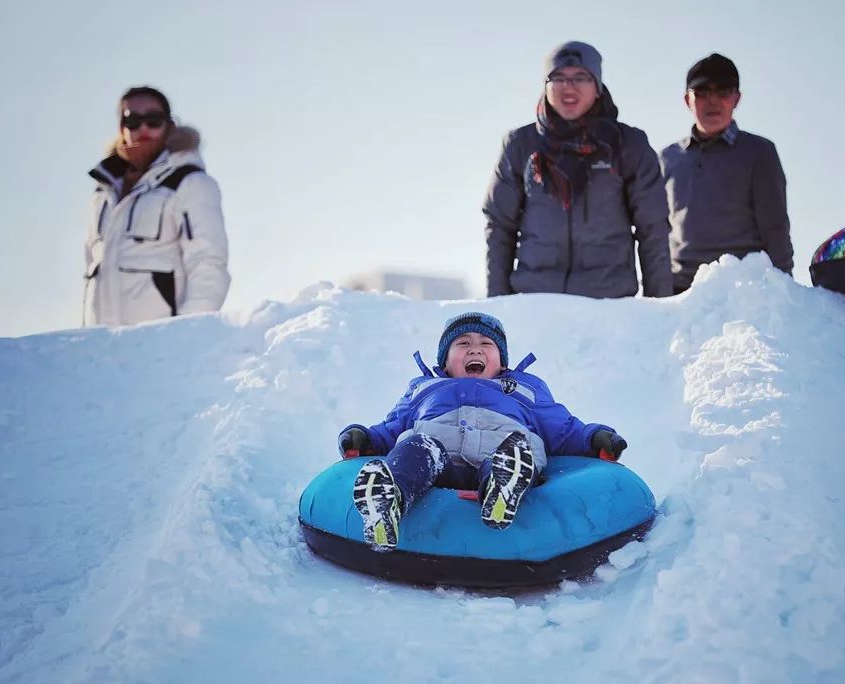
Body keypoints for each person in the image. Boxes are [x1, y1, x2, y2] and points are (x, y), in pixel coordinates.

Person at [337, 312, 629, 550]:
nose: (475, 348)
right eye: (462, 343)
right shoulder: (423, 388)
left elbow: (564, 429)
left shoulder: (524, 389)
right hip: (440, 459)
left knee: (513, 452)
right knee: (416, 448)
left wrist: (596, 438)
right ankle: (388, 500)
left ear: (502, 361)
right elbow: (391, 429)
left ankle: (501, 489)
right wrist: (364, 438)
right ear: (445, 362)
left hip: (500, 450)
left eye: (486, 344)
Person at [483, 41, 673, 299]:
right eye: (558, 77)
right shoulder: (520, 145)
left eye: (581, 77)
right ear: (546, 87)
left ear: (598, 87)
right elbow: (499, 226)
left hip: (609, 306)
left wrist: (658, 308)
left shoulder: (628, 145)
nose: (568, 86)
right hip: (534, 304)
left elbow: (653, 229)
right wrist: (498, 306)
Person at [84, 86, 230, 326]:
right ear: (122, 129)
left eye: (153, 120)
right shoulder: (103, 194)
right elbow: (91, 268)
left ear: (169, 125)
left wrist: (188, 332)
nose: (143, 128)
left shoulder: (190, 183)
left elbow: (208, 263)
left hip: (160, 346)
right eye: (133, 121)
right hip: (102, 347)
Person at [659, 53, 793, 293]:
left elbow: (775, 227)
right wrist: (656, 290)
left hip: (743, 288)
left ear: (736, 98)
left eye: (722, 92)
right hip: (679, 290)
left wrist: (784, 287)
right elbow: (656, 230)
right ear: (687, 100)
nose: (713, 101)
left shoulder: (759, 152)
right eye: (702, 93)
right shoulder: (667, 159)